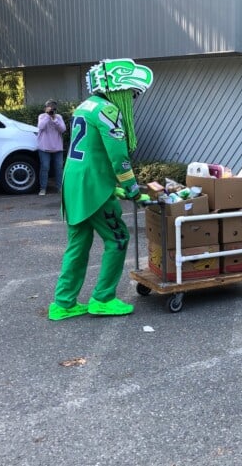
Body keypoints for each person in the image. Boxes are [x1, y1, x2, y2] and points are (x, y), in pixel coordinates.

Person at [47, 58, 153, 321]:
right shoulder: (108, 111)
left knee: (78, 244)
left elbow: (90, 151)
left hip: (73, 185)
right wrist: (131, 189)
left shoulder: (85, 107)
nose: (132, 98)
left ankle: (63, 303)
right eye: (131, 93)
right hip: (93, 187)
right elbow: (118, 157)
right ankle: (103, 298)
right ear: (119, 87)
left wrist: (114, 187)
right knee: (118, 239)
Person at [36, 99, 66, 195]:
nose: (51, 109)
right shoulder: (42, 116)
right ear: (45, 108)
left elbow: (63, 129)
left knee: (59, 167)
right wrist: (48, 117)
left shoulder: (58, 117)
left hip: (57, 147)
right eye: (49, 107)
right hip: (44, 147)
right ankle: (43, 188)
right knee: (45, 167)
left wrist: (54, 119)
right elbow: (41, 126)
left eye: (53, 107)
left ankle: (59, 187)